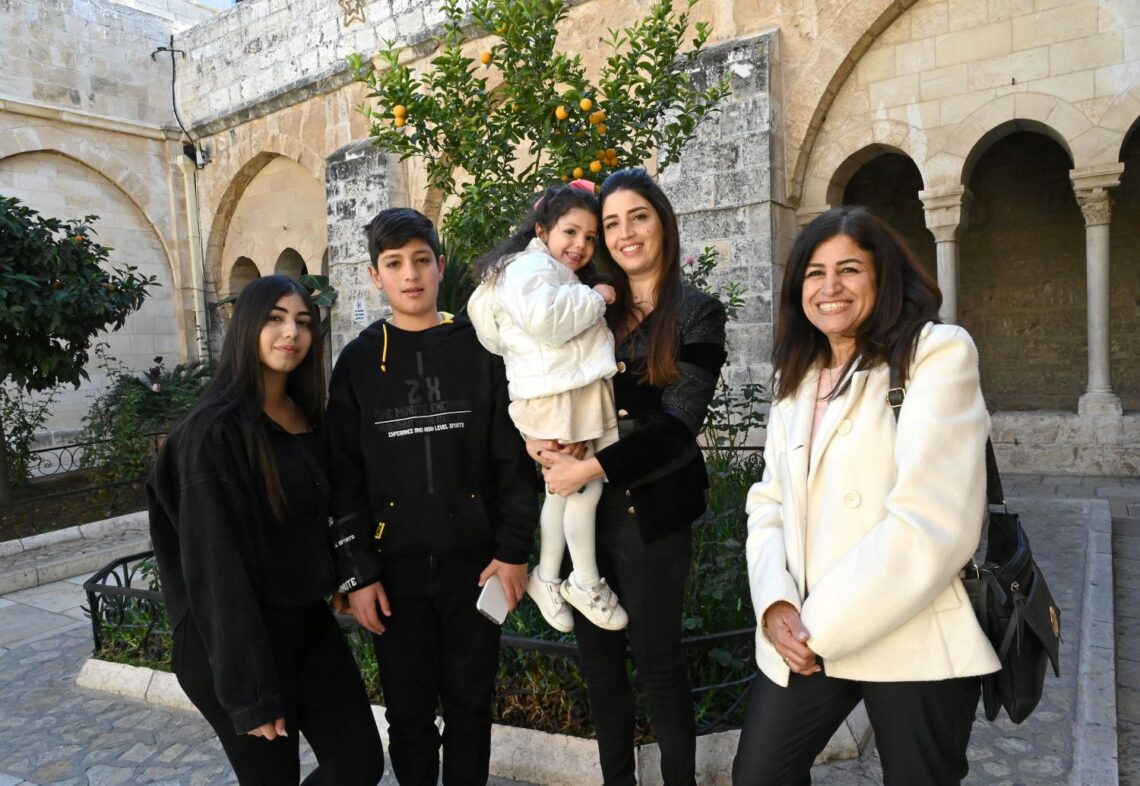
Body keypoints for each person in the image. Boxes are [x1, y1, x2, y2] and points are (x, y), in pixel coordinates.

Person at [731, 206, 1001, 785]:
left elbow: (931, 521)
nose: (830, 287)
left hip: (908, 625)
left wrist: (817, 628)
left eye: (849, 269)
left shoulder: (934, 353)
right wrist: (775, 603)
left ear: (883, 278)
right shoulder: (796, 377)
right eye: (815, 273)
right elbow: (768, 501)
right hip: (805, 628)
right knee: (758, 774)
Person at [323, 207, 538, 786]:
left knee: (471, 708)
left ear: (441, 266)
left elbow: (513, 460)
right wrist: (357, 574)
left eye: (421, 260)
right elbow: (343, 477)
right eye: (394, 264)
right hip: (393, 575)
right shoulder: (358, 361)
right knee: (408, 715)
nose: (410, 274)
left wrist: (513, 550)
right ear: (376, 276)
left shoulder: (482, 348)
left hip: (476, 565)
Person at [147, 275, 384, 786]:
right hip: (230, 636)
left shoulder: (304, 416)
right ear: (248, 327)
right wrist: (250, 693)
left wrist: (337, 573)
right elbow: (215, 569)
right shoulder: (211, 434)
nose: (291, 333)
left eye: (303, 322)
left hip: (302, 618)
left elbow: (309, 514)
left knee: (358, 762)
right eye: (275, 318)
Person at [539, 168, 727, 786]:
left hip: (652, 515)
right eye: (612, 223)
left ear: (662, 223)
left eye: (637, 217)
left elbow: (679, 423)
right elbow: (542, 381)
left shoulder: (697, 313)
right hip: (583, 516)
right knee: (600, 672)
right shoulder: (587, 305)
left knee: (660, 666)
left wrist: (588, 465)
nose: (625, 234)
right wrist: (543, 443)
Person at [467, 179, 628, 634]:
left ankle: (549, 576)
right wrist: (598, 297)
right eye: (570, 232)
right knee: (584, 488)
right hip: (555, 397)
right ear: (542, 229)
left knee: (564, 488)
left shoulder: (544, 270)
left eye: (590, 237)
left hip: (562, 393)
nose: (581, 245)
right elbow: (548, 320)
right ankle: (584, 580)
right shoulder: (530, 268)